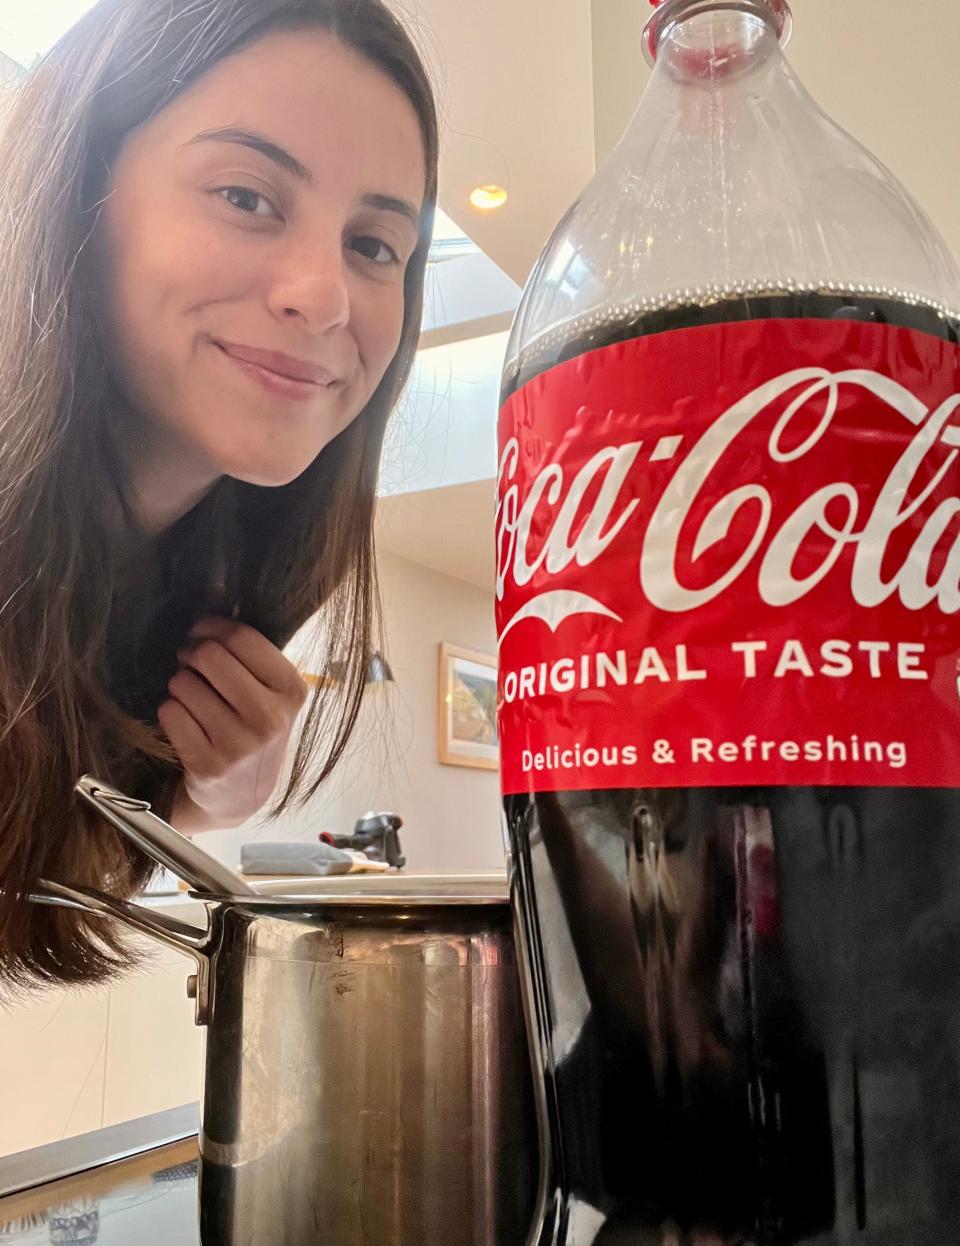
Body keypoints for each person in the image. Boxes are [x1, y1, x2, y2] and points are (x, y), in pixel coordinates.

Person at [0, 0, 438, 988]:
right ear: (78, 193)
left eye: (373, 245)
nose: (323, 296)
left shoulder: (202, 590)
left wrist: (206, 795)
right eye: (246, 195)